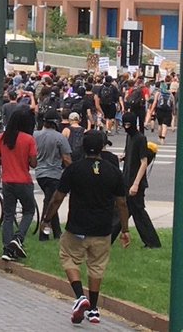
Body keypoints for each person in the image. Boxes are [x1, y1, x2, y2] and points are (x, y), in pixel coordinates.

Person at [41, 130, 132, 325]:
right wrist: (125, 229)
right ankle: (93, 309)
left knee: (69, 258)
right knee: (96, 267)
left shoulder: (73, 170)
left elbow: (58, 197)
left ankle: (79, 296)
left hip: (77, 226)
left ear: (82, 147)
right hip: (102, 228)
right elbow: (122, 203)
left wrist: (47, 218)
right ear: (102, 147)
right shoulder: (113, 171)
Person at [112, 112, 162, 248]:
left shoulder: (140, 138)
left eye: (128, 124)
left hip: (135, 182)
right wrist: (122, 157)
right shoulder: (129, 137)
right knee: (124, 210)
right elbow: (129, 154)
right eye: (124, 124)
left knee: (134, 211)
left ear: (134, 124)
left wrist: (136, 184)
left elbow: (144, 162)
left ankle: (152, 242)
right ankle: (151, 242)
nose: (126, 127)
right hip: (126, 179)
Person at [0, 107, 37, 261]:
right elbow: (33, 163)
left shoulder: (1, 138)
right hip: (23, 181)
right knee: (29, 211)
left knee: (8, 215)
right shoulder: (28, 139)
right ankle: (18, 238)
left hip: (7, 180)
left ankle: (7, 248)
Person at [33, 110, 72, 241]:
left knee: (51, 200)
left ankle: (57, 233)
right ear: (56, 123)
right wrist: (73, 172)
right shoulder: (59, 137)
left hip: (39, 173)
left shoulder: (35, 135)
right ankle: (43, 234)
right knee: (50, 203)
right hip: (54, 174)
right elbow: (66, 158)